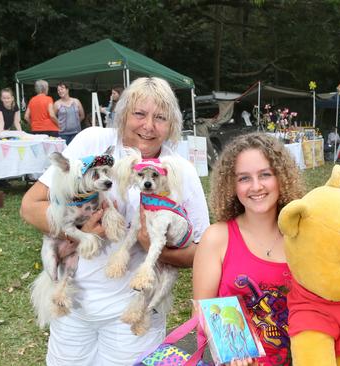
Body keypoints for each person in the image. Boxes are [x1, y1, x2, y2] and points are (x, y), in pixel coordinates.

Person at [20, 77, 210, 365]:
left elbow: (203, 251)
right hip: (73, 306)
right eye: (139, 114)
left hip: (134, 314)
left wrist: (156, 247)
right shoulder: (92, 142)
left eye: (160, 118)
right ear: (122, 116)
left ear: (171, 125)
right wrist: (80, 230)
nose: (148, 126)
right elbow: (30, 206)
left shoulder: (180, 171)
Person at [192, 132, 305, 365]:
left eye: (265, 174)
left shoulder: (303, 238)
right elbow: (201, 313)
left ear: (282, 177)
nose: (256, 186)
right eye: (244, 178)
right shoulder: (217, 238)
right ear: (231, 185)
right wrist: (230, 348)